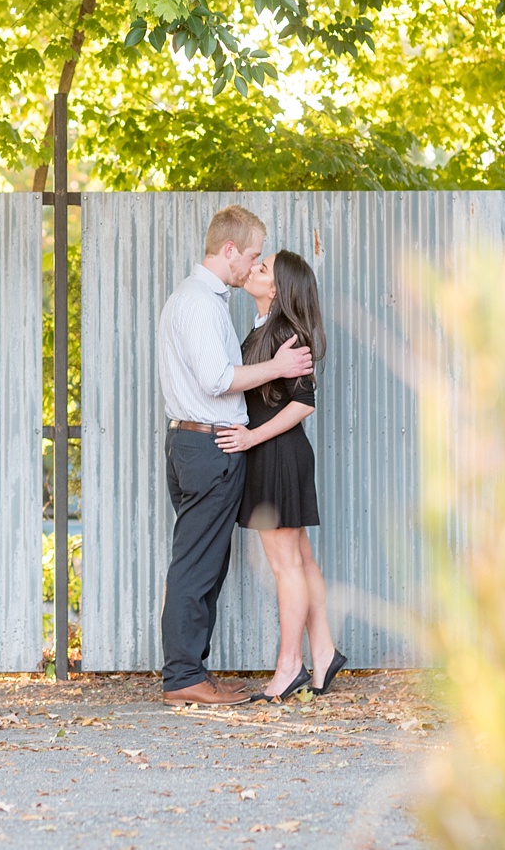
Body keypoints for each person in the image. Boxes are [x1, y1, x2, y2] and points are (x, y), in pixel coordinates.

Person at [157, 206, 315, 706]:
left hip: (198, 442)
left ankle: (191, 672)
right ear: (229, 251)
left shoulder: (200, 300)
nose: (253, 265)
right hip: (209, 445)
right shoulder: (201, 303)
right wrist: (278, 366)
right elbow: (218, 380)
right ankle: (184, 676)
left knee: (200, 561)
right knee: (198, 565)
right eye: (250, 255)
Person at [215, 251, 347, 700]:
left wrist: (251, 439)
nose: (253, 268)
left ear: (276, 288)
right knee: (302, 560)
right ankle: (323, 651)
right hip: (275, 454)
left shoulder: (286, 332)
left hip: (276, 454)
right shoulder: (262, 326)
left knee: (285, 564)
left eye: (264, 267)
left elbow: (303, 403)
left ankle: (290, 665)